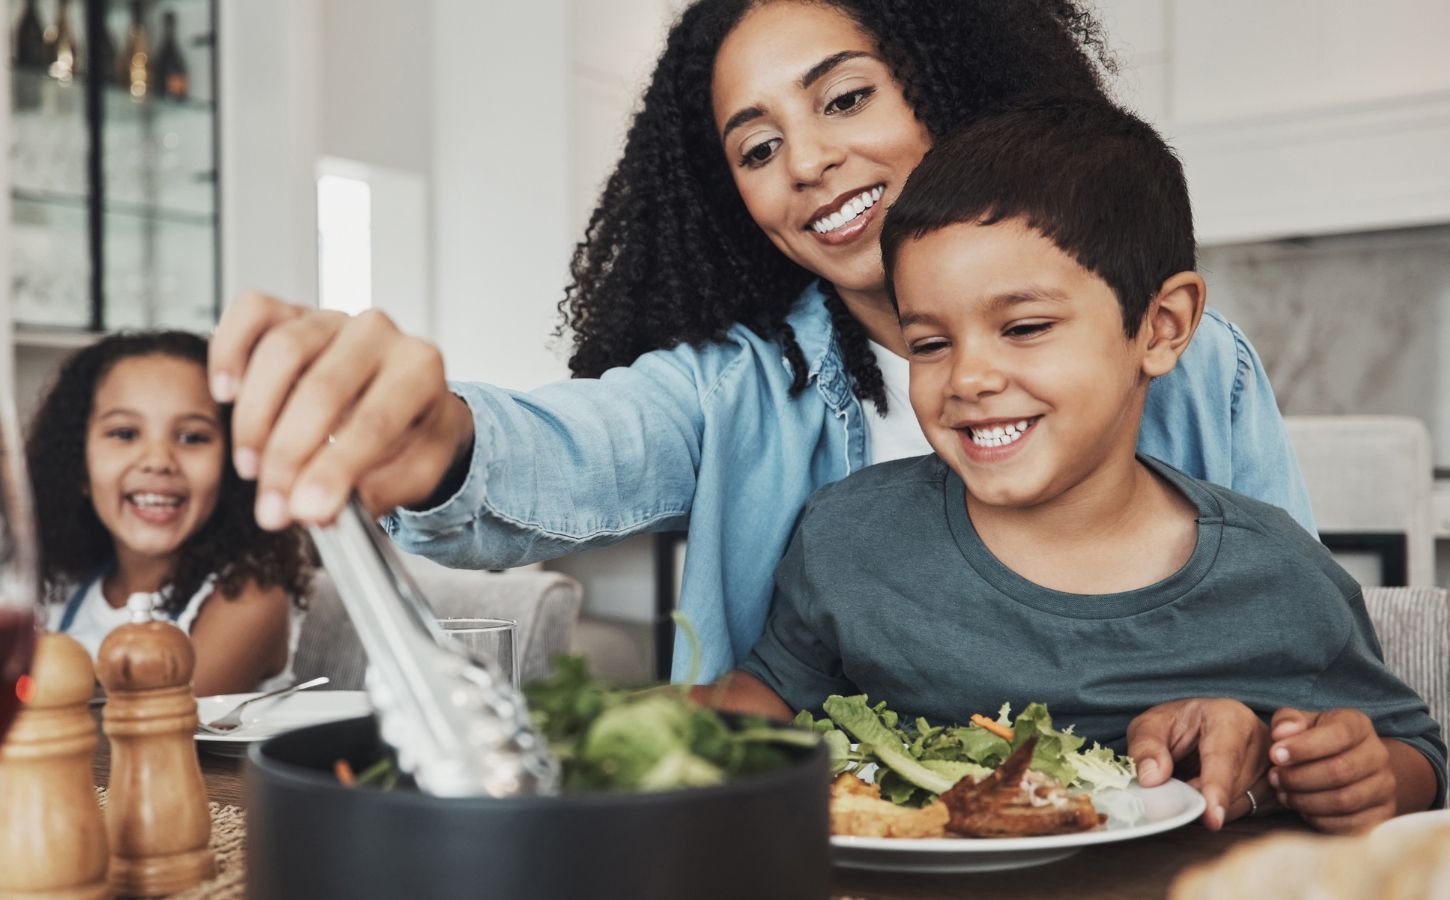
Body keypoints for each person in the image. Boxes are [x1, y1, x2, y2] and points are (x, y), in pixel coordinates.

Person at [205, 0, 1312, 686]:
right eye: (756, 146)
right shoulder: (738, 388)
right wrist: (433, 438)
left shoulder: (1194, 361)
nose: (807, 161)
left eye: (844, 98)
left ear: (950, 85)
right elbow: (557, 448)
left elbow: (1297, 648)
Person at [703, 98, 1445, 834]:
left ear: (1161, 327)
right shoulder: (849, 537)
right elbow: (767, 693)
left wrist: (1365, 775)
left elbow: (1414, 754)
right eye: (930, 343)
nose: (968, 379)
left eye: (1023, 328)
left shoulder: (1279, 576)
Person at [26, 331, 314, 696]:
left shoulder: (249, 599)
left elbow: (157, 725)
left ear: (233, 466)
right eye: (126, 433)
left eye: (192, 437)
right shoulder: (60, 592)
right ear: (78, 466)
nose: (159, 461)